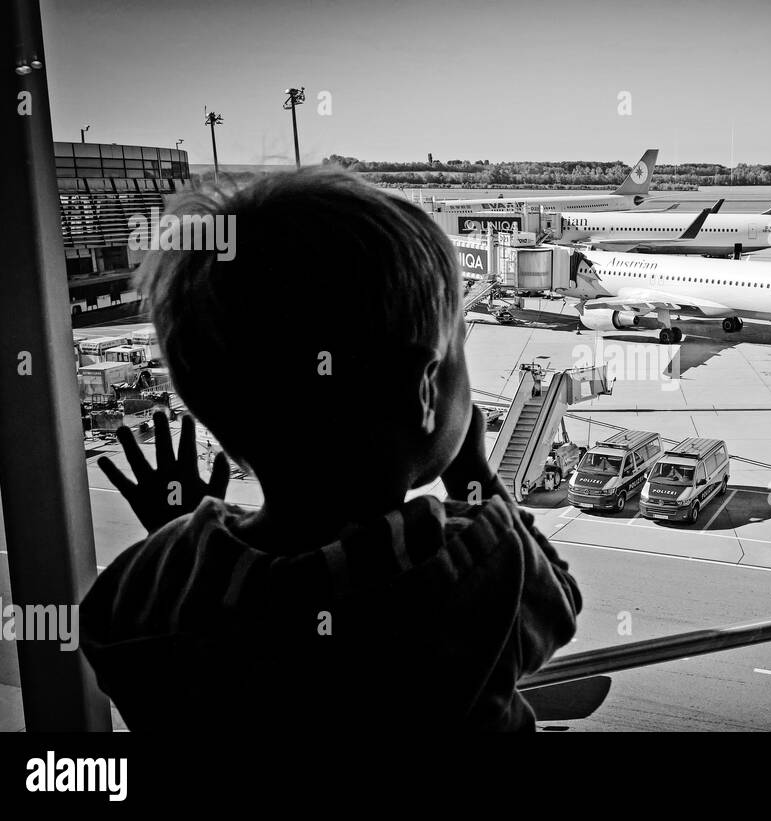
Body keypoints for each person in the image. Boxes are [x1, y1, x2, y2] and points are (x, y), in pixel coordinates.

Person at [80, 168, 581, 732]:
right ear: (423, 392)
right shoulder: (466, 561)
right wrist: (473, 474)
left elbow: (145, 642)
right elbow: (556, 605)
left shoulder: (145, 587)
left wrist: (179, 541)